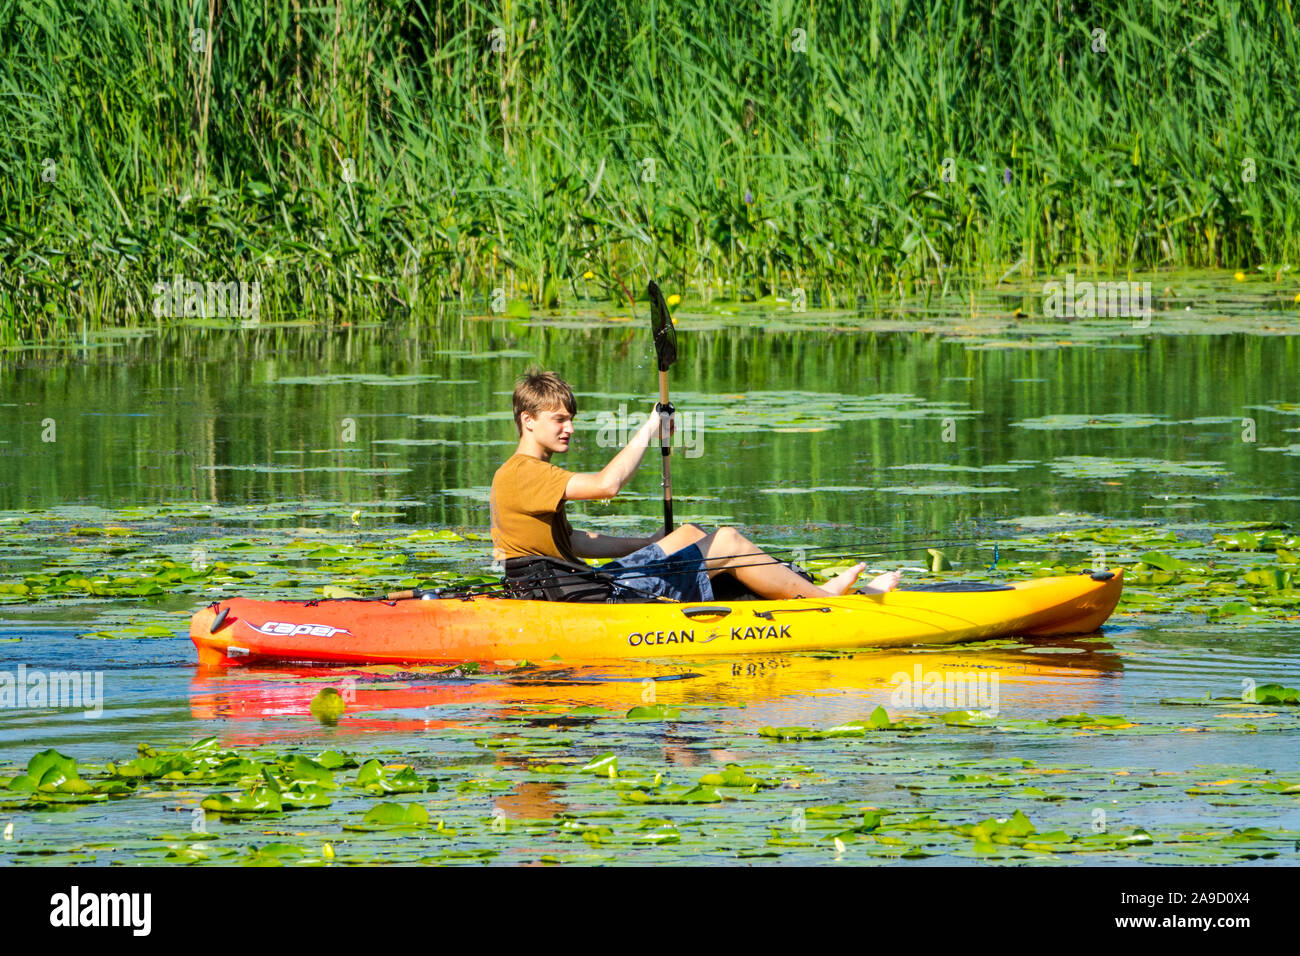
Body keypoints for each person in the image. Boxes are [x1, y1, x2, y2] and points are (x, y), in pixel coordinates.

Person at [489, 369, 902, 602]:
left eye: (570, 418)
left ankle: (790, 588)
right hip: (576, 598)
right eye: (559, 420)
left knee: (689, 534)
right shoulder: (522, 472)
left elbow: (575, 541)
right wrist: (651, 427)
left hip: (572, 584)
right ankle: (822, 600)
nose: (570, 428)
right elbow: (607, 485)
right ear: (528, 419)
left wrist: (648, 541)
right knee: (726, 542)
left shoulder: (527, 472)